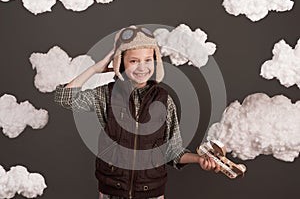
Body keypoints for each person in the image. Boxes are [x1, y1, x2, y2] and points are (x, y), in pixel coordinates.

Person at [54, 25, 220, 199]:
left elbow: (172, 151)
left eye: (148, 60)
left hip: (152, 193)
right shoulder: (106, 95)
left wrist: (198, 159)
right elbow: (65, 98)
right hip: (112, 192)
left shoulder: (164, 100)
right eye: (133, 61)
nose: (142, 67)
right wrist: (95, 70)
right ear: (120, 62)